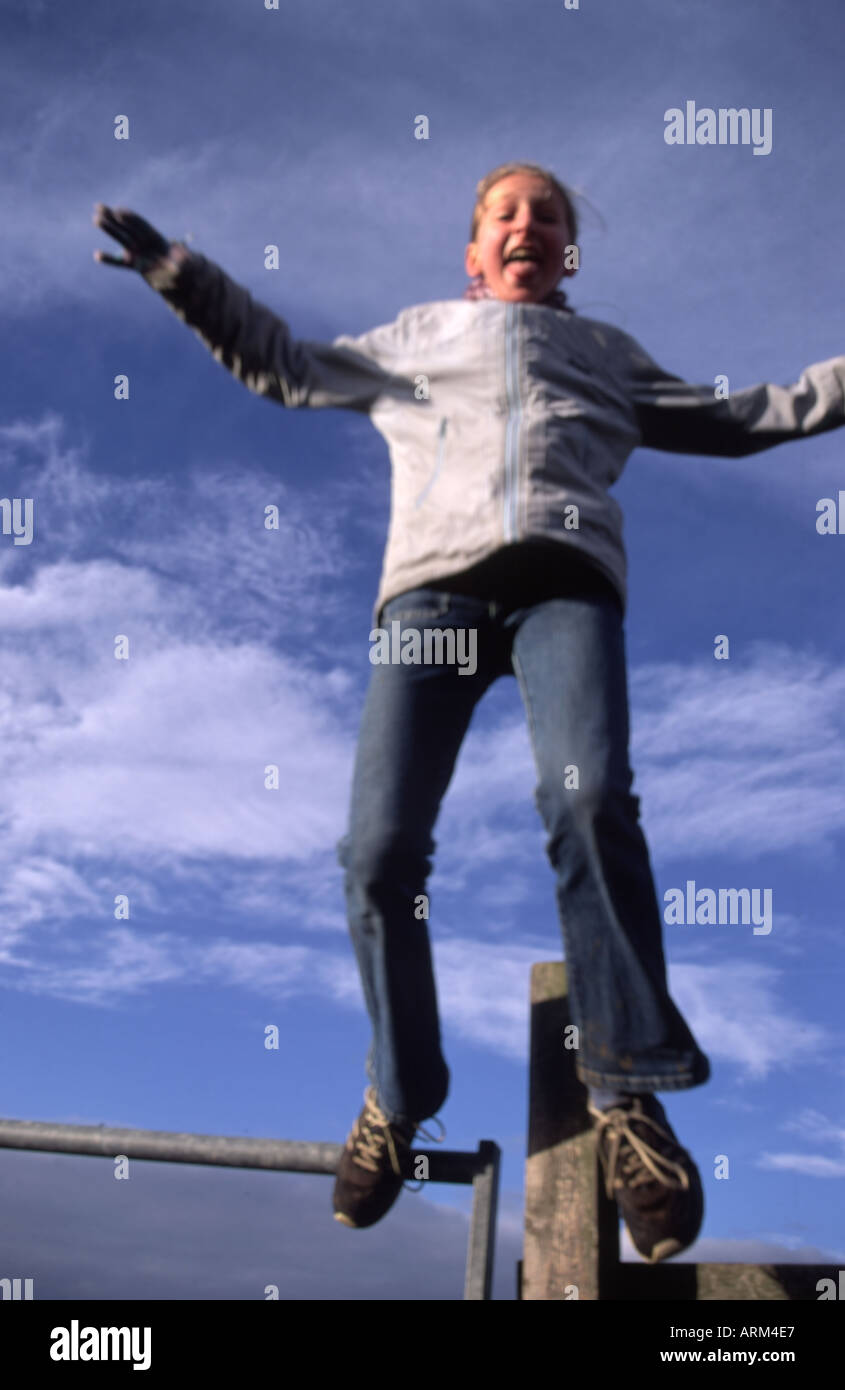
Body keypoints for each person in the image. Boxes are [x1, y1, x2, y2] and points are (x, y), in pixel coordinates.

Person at [93, 164, 845, 1264]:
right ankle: (398, 1098)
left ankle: (626, 1092)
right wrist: (182, 277)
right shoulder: (418, 336)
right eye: (506, 214)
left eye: (548, 218)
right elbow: (288, 368)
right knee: (376, 848)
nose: (528, 227)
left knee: (586, 802)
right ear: (473, 249)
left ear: (566, 255)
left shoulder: (606, 357)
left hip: (562, 584)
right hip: (432, 592)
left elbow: (742, 417)